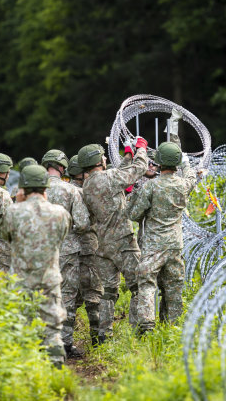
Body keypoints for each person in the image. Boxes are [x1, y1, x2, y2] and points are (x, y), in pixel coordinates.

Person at [0, 165, 71, 367]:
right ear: (45, 186)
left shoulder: (13, 212)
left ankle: (25, 369)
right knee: (52, 327)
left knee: (20, 325)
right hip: (49, 278)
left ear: (23, 187)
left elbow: (5, 235)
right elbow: (61, 236)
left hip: (21, 279)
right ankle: (56, 370)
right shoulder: (59, 213)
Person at [78, 138, 148, 340]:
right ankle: (138, 333)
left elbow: (119, 178)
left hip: (103, 246)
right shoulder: (108, 178)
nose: (106, 157)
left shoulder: (87, 186)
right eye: (103, 156)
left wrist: (127, 155)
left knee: (108, 293)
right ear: (98, 160)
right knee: (137, 287)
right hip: (123, 242)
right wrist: (141, 149)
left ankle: (104, 335)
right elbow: (138, 169)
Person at [128, 141, 196, 334]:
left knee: (147, 282)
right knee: (173, 286)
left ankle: (147, 325)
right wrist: (186, 164)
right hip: (175, 244)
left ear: (158, 163)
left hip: (153, 245)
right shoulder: (183, 185)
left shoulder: (151, 186)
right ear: (176, 163)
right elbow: (191, 178)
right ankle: (173, 328)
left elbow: (134, 215)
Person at [57, 154, 104, 350]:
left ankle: (65, 339)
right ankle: (97, 338)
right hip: (89, 246)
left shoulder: (65, 191)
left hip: (69, 247)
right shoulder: (90, 192)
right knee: (93, 295)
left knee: (70, 296)